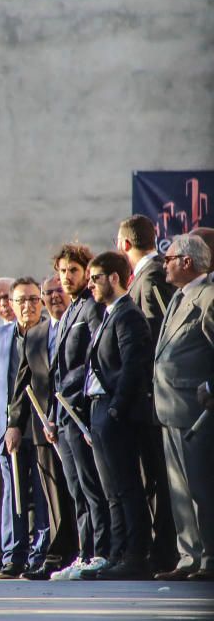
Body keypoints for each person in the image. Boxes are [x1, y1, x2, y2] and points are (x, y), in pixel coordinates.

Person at [82, 251, 153, 580]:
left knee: (126, 486)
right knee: (111, 489)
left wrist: (115, 408)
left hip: (116, 412)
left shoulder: (128, 315)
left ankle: (136, 554)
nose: (90, 284)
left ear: (114, 277)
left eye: (95, 277)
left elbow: (132, 367)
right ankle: (117, 551)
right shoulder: (107, 314)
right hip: (99, 409)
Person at [43, 243, 111, 581]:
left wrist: (78, 403)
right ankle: (84, 552)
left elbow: (93, 361)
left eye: (73, 270)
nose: (66, 277)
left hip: (83, 410)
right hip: (64, 413)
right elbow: (57, 369)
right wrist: (53, 415)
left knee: (91, 485)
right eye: (62, 271)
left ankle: (101, 551)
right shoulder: (69, 311)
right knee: (75, 488)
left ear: (86, 272)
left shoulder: (91, 308)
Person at [116, 214, 178, 572]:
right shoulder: (146, 275)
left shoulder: (152, 276)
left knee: (163, 477)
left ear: (124, 244)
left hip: (155, 398)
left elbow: (156, 337)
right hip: (148, 398)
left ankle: (165, 551)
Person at [0, 278, 50, 579]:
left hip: (39, 423)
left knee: (43, 490)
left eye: (33, 299)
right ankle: (13, 555)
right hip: (3, 427)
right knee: (12, 491)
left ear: (41, 302)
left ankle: (43, 552)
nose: (26, 306)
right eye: (20, 300)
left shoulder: (48, 333)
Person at [7, 275, 78, 580]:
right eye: (47, 293)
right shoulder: (37, 334)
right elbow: (23, 383)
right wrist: (13, 424)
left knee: (80, 491)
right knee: (51, 496)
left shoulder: (80, 323)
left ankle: (85, 552)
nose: (53, 297)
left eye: (57, 291)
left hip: (75, 423)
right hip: (41, 430)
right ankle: (55, 556)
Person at [152, 235, 214, 581]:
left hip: (197, 410)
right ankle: (188, 556)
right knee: (180, 489)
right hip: (170, 407)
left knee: (201, 488)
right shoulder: (179, 296)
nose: (165, 263)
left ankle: (209, 557)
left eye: (169, 257)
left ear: (187, 262)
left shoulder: (208, 297)